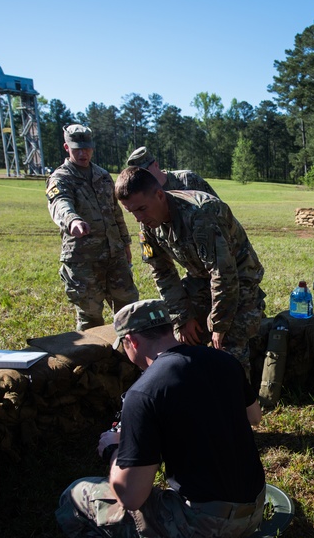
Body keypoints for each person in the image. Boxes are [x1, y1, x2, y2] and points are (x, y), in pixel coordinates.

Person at [55, 300, 294, 538]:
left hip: (206, 524)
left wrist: (114, 448)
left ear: (132, 341)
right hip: (254, 508)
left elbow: (132, 495)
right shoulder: (222, 361)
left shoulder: (143, 393)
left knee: (74, 499)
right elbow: (255, 416)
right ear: (169, 330)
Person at [114, 166, 265, 380]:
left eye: (141, 209)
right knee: (182, 338)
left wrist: (219, 325)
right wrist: (183, 317)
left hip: (240, 277)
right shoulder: (149, 223)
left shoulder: (201, 214)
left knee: (228, 347)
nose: (138, 218)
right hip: (201, 277)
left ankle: (240, 406)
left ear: (159, 195)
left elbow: (224, 274)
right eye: (132, 212)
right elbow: (162, 273)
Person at [46, 124, 139, 330]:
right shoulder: (61, 177)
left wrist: (125, 243)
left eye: (86, 148)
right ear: (66, 147)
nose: (82, 153)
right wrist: (72, 221)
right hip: (83, 259)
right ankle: (93, 361)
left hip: (114, 256)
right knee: (91, 318)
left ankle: (128, 359)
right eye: (77, 148)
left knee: (129, 311)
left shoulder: (103, 175)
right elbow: (60, 203)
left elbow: (116, 212)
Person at [126, 146, 219, 197]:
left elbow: (217, 206)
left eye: (146, 170)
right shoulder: (146, 194)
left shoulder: (187, 179)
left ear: (156, 165)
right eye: (139, 173)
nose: (143, 175)